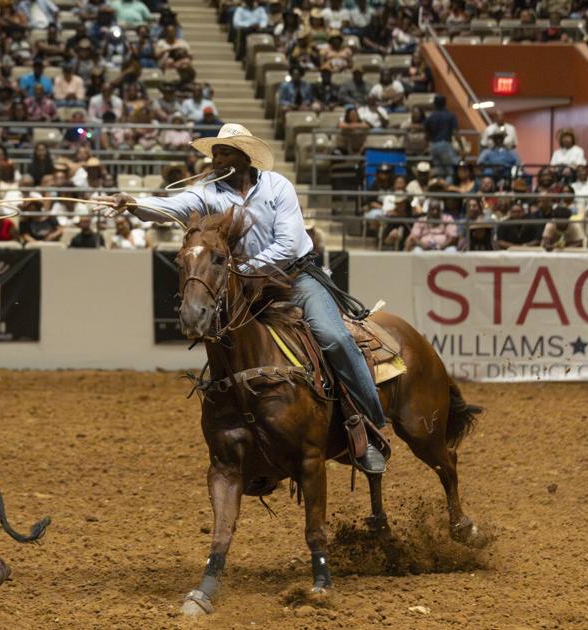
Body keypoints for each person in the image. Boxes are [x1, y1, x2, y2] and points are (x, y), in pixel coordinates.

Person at [98, 123, 388, 473]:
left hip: (295, 277)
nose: (217, 159)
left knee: (334, 336)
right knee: (226, 342)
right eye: (216, 153)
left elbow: (288, 246)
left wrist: (243, 270)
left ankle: (372, 426)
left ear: (245, 157)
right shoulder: (208, 193)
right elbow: (170, 207)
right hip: (245, 286)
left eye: (225, 152)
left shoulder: (278, 186)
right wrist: (132, 203)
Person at [424, 95, 458, 179]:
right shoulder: (450, 115)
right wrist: (461, 146)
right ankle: (450, 189)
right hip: (445, 144)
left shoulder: (431, 117)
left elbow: (426, 134)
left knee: (439, 172)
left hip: (433, 145)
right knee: (451, 170)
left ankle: (441, 189)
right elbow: (456, 132)